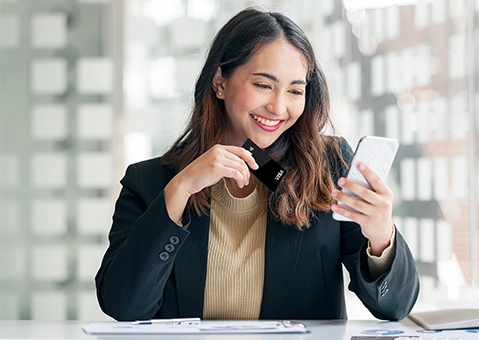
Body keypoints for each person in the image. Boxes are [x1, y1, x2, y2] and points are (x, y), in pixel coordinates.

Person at [95, 7, 419, 321]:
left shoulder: (328, 169)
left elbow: (395, 307)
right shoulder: (149, 182)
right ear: (220, 80)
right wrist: (180, 189)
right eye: (263, 85)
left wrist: (381, 237)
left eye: (295, 90)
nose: (278, 107)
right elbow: (124, 306)